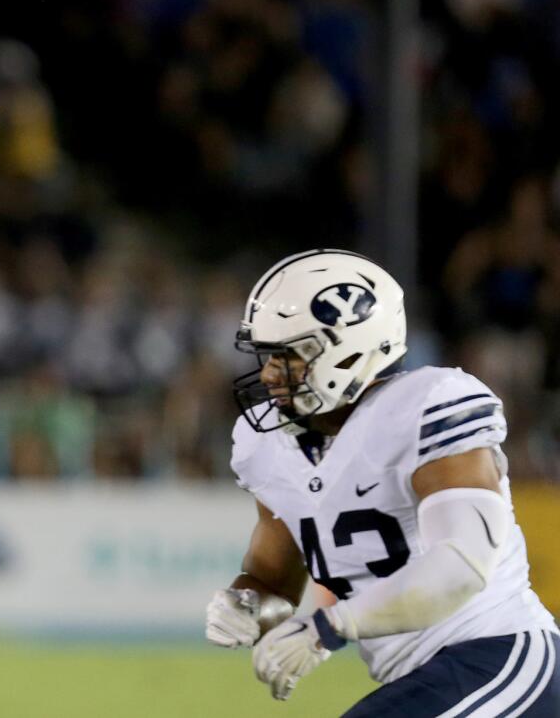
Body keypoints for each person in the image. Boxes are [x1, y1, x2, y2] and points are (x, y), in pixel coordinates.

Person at [204, 249, 559, 716]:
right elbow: (273, 580)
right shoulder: (266, 443)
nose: (269, 373)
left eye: (288, 355)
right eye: (268, 356)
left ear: (346, 349)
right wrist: (249, 606)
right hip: (423, 678)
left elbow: (462, 564)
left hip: (498, 654)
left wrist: (328, 629)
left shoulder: (428, 406)